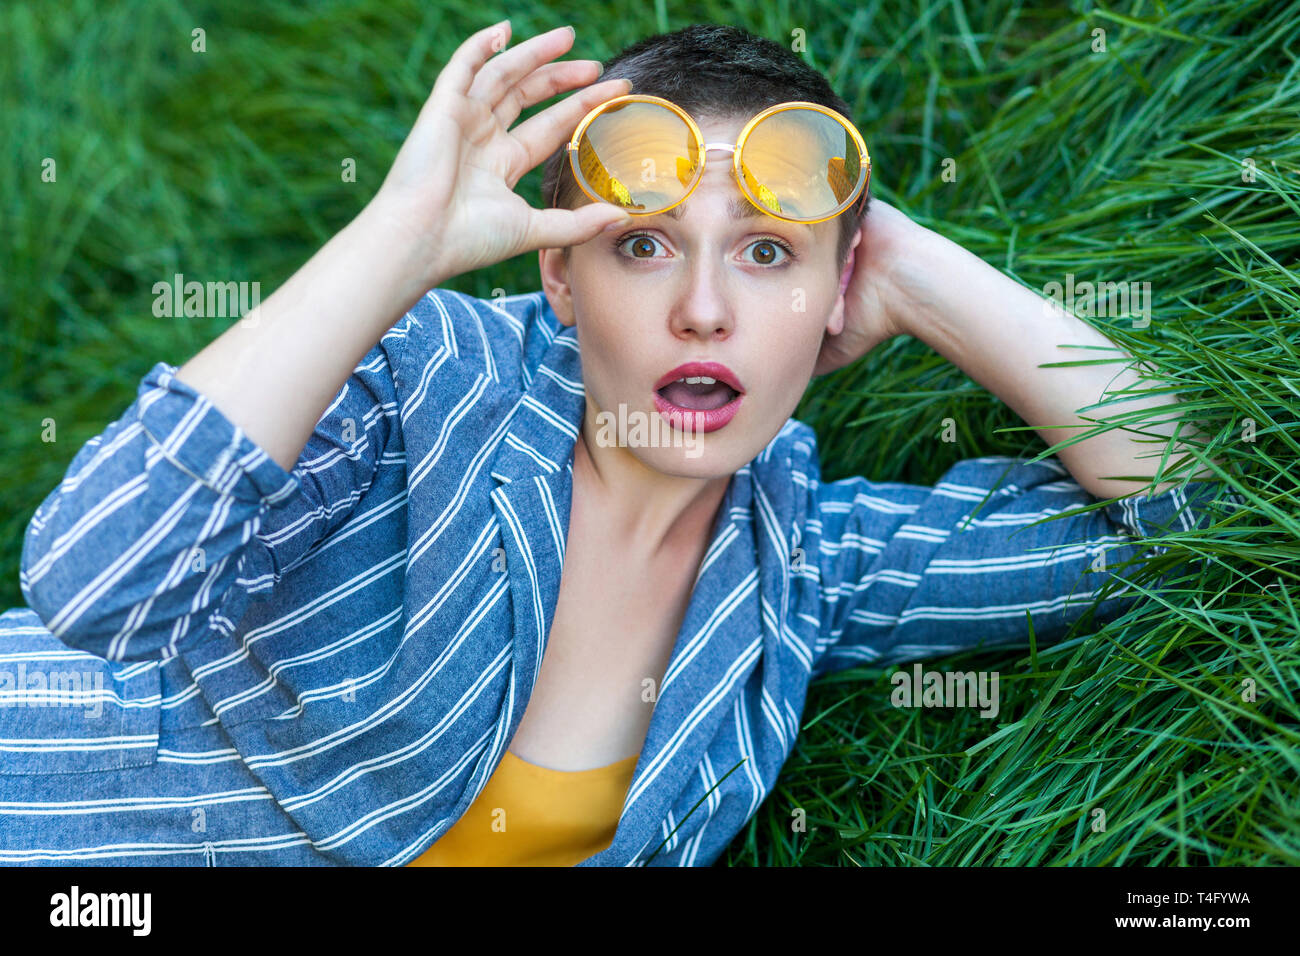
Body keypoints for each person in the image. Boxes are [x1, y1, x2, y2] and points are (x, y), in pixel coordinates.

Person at [0, 21, 1235, 867]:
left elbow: (1192, 520)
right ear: (560, 275)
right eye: (642, 243)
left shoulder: (796, 570)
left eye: (766, 253)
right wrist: (396, 244)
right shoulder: (432, 383)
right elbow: (86, 584)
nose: (704, 306)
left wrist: (916, 269)